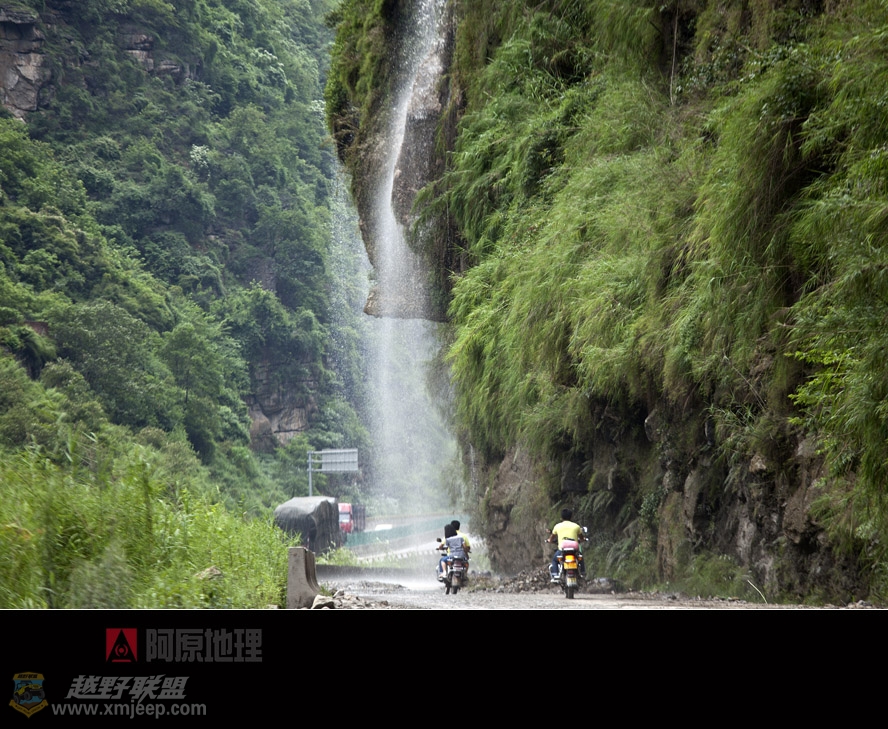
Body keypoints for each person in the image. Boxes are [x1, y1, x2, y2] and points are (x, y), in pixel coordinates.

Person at [547, 508, 585, 582]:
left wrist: (549, 540)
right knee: (580, 558)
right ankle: (583, 573)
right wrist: (583, 539)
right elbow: (581, 538)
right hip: (574, 550)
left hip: (562, 550)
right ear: (571, 517)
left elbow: (551, 538)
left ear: (561, 517)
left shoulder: (557, 526)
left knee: (555, 560)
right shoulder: (576, 526)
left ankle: (555, 575)